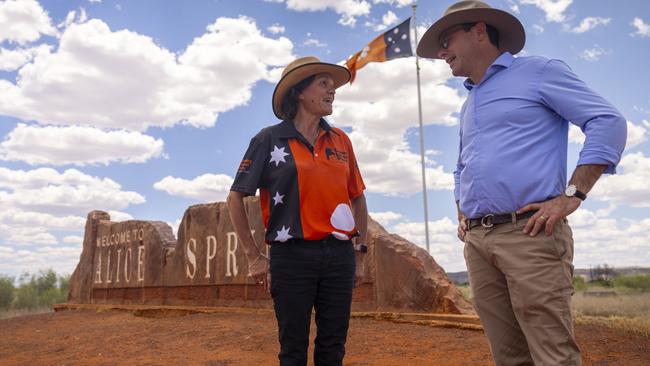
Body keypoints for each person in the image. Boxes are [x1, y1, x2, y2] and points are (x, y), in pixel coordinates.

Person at [417, 1, 626, 365]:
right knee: (509, 356)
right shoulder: (470, 100)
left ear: (479, 31)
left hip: (529, 234)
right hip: (479, 242)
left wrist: (572, 195)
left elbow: (607, 121)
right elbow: (461, 165)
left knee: (552, 355)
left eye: (447, 39)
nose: (441, 52)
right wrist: (461, 210)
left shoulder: (539, 72)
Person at [226, 56, 368, 366]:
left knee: (333, 346)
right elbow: (235, 198)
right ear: (299, 92)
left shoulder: (341, 140)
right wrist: (253, 256)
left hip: (339, 257)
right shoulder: (268, 139)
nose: (332, 91)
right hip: (291, 258)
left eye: (333, 85)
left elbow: (357, 197)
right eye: (323, 83)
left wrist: (359, 254)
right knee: (292, 349)